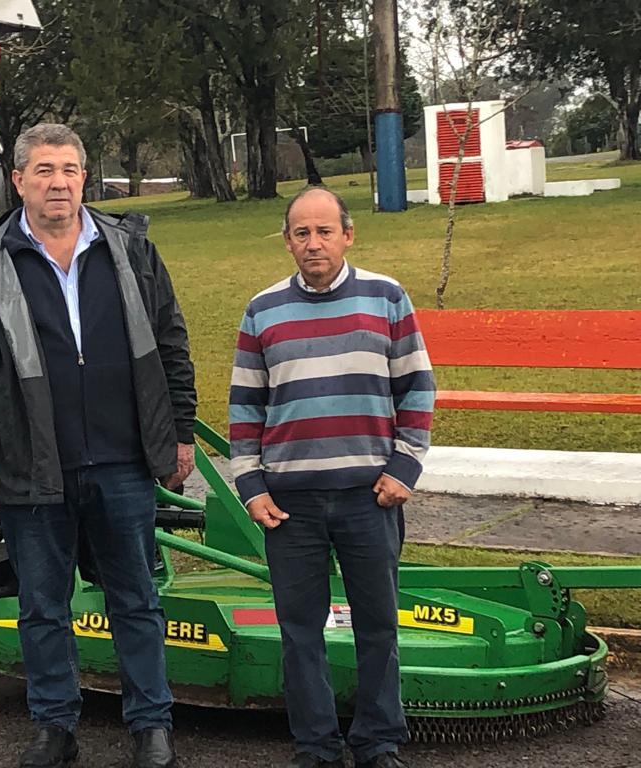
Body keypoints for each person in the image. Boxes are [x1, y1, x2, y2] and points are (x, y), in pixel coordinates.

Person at [0, 123, 196, 768]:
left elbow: (171, 345)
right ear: (17, 180)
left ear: (85, 177)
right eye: (44, 170)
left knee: (137, 600)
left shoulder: (130, 250)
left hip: (122, 461)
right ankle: (55, 728)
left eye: (70, 169)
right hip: (28, 466)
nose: (58, 182)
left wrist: (180, 430)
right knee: (42, 608)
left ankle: (151, 728)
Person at [229, 187, 435, 768]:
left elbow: (417, 387)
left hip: (371, 496)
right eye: (301, 233)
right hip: (288, 503)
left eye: (324, 231)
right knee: (300, 631)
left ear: (348, 235)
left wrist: (405, 466)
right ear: (288, 240)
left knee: (378, 627)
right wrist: (251, 485)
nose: (313, 243)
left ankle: (377, 742)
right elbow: (245, 405)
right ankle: (316, 746)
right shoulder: (262, 310)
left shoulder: (387, 298)